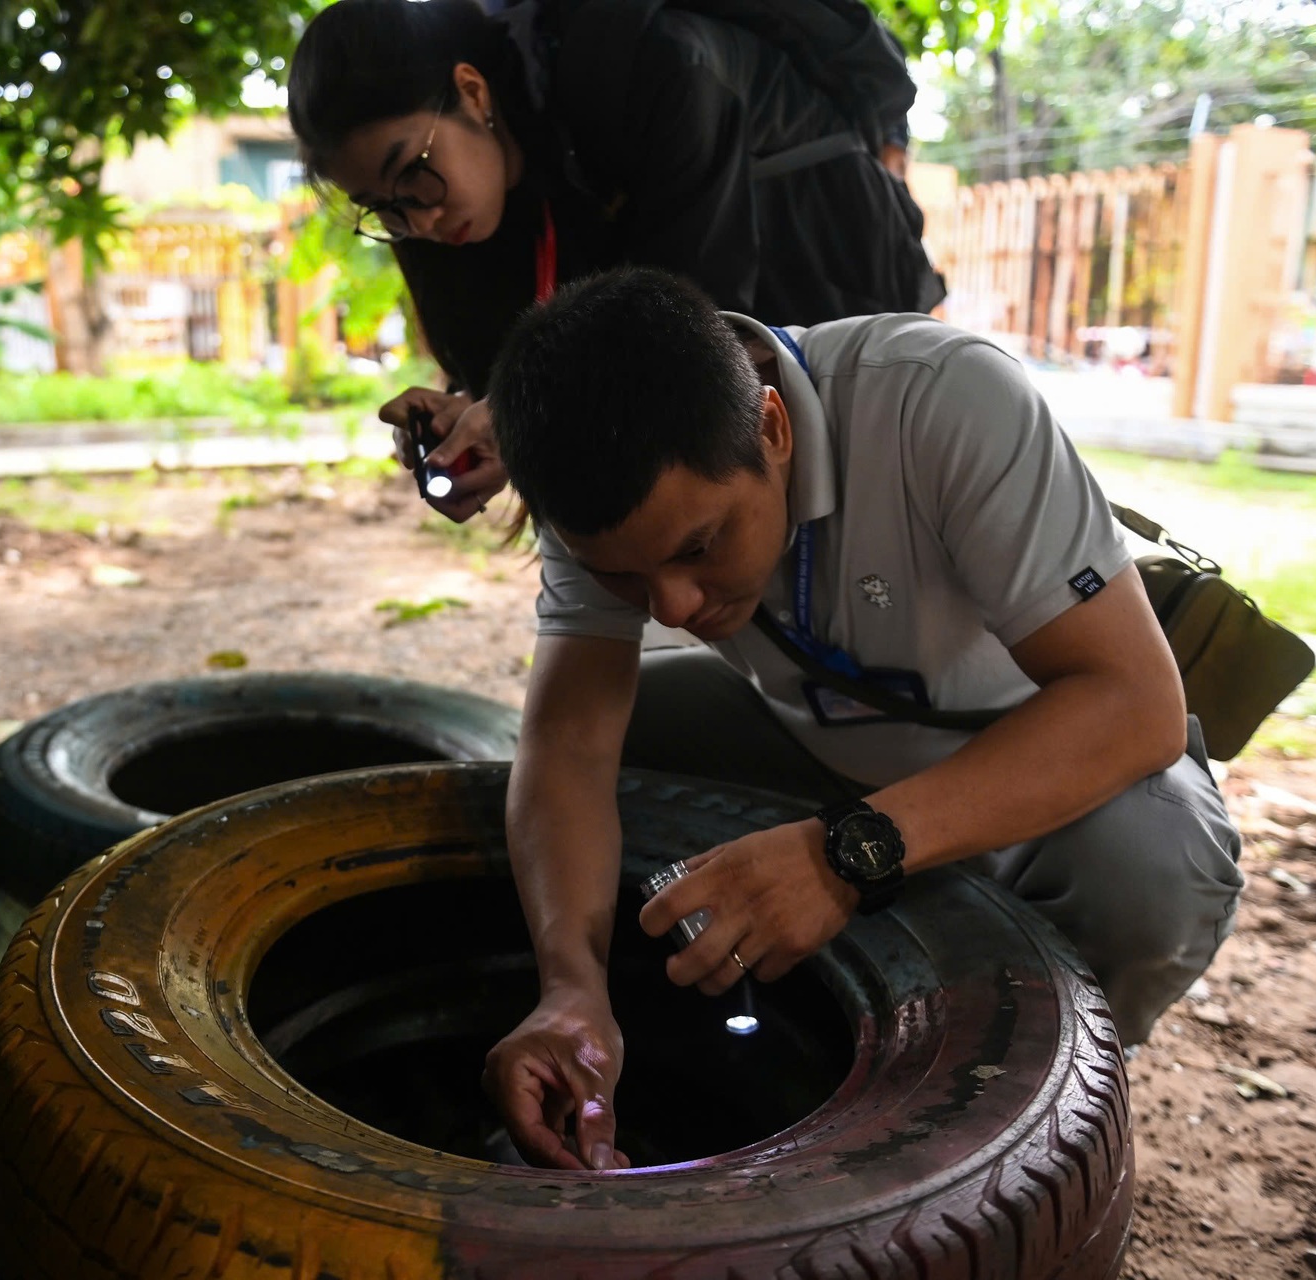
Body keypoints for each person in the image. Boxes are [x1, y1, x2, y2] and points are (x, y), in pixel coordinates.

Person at [477, 267, 1243, 1171]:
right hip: (814, 735)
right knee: (569, 758)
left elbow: (1136, 705)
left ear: (773, 426)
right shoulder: (596, 498)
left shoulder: (941, 399)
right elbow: (567, 748)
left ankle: (1033, 1097)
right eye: (624, 579)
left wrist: (845, 854)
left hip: (1034, 746)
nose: (673, 607)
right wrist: (570, 987)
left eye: (700, 547)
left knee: (1157, 872)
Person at [288, 0, 941, 522]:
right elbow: (559, 358)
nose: (418, 221)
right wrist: (474, 417)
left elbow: (693, 333)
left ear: (473, 92)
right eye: (380, 207)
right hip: (711, 314)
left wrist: (525, 414)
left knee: (863, 518)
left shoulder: (648, 61)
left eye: (414, 175)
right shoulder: (469, 175)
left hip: (827, 258)